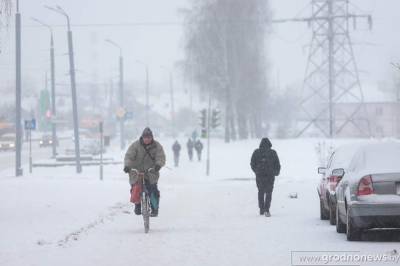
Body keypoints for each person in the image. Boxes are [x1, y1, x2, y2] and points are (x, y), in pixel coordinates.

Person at [124, 127, 166, 217]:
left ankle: (154, 208)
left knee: (153, 190)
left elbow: (161, 157)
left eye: (149, 137)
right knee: (135, 188)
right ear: (142, 137)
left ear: (152, 138)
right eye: (145, 137)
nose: (147, 139)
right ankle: (137, 205)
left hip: (151, 172)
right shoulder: (135, 146)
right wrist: (127, 166)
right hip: (136, 172)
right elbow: (129, 156)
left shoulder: (157, 146)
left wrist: (158, 165)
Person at [250, 138, 281, 217]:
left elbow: (252, 163)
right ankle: (267, 209)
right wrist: (276, 172)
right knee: (269, 192)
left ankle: (261, 209)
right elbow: (277, 164)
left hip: (259, 175)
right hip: (270, 176)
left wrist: (256, 170)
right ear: (269, 144)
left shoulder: (256, 152)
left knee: (260, 192)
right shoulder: (273, 153)